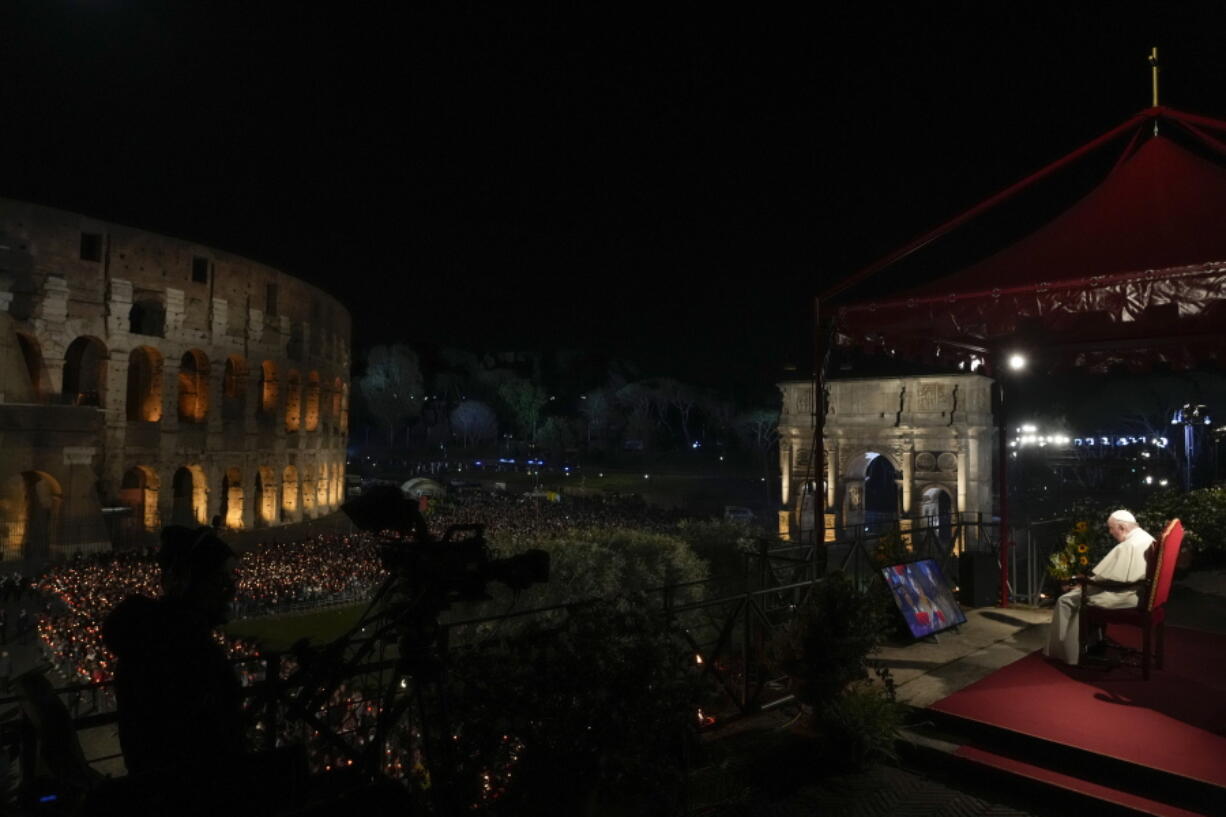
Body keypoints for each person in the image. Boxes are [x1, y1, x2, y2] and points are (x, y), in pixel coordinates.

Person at [98, 525, 245, 811]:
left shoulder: (157, 639)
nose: (231, 589)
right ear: (185, 581)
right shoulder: (178, 650)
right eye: (220, 579)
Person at [1044, 510, 1154, 665]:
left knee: (1066, 600)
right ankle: (1093, 642)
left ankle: (1068, 653)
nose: (1110, 532)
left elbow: (1111, 579)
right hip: (1138, 593)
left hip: (1125, 596)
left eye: (1111, 528)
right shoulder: (1147, 537)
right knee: (1080, 593)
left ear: (1122, 527)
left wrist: (1083, 583)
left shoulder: (1128, 546)